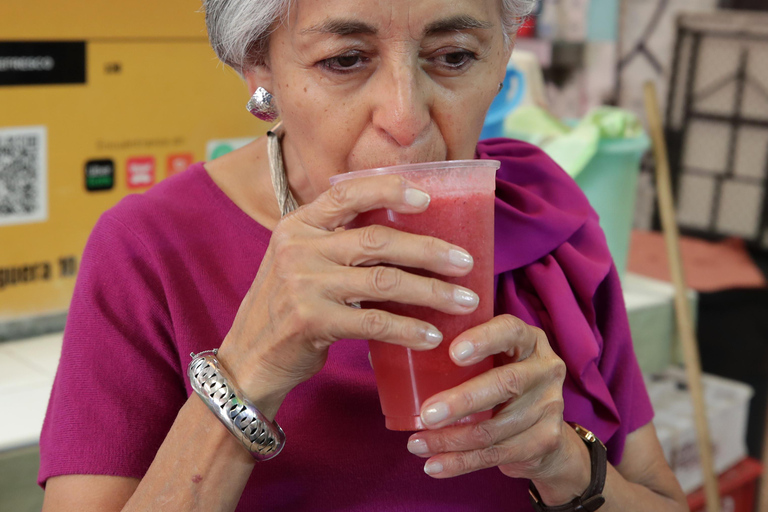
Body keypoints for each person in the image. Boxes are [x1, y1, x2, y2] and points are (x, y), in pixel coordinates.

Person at [39, 0, 688, 511]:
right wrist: (246, 373)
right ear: (257, 66)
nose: (404, 118)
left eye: (455, 55)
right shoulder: (152, 249)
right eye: (346, 59)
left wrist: (566, 467)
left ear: (506, 49)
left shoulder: (544, 216)